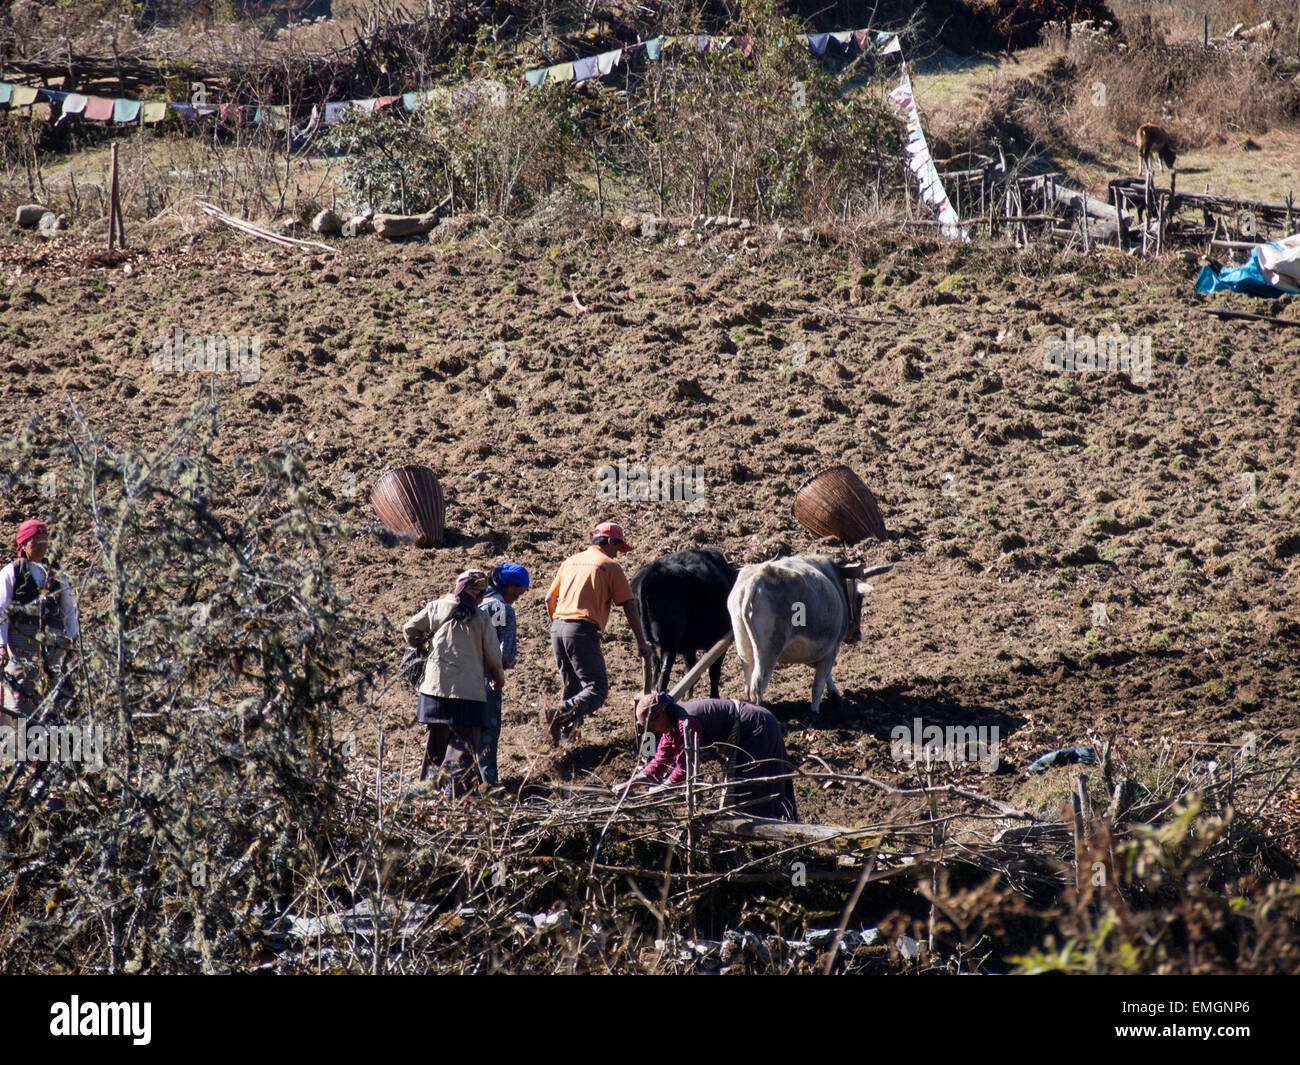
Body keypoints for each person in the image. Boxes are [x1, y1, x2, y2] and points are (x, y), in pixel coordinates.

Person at [543, 521, 651, 746]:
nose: (618, 554)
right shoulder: (609, 566)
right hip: (582, 629)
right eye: (618, 548)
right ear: (611, 542)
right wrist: (641, 642)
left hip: (558, 627)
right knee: (596, 689)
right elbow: (630, 606)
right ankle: (559, 713)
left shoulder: (570, 561)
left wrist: (557, 623)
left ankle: (567, 743)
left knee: (572, 687)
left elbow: (548, 598)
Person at [617, 690, 799, 821]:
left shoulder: (686, 723)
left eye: (650, 727)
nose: (651, 732)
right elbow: (660, 762)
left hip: (757, 727)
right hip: (753, 726)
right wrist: (630, 784)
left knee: (749, 788)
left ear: (661, 713)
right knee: (739, 788)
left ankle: (764, 831)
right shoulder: (671, 726)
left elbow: (685, 768)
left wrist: (662, 789)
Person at [402, 570, 504, 794]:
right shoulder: (481, 619)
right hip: (468, 698)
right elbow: (494, 659)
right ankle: (455, 797)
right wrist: (498, 680)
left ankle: (427, 794)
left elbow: (409, 629)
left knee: (436, 747)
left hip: (433, 694)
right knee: (461, 749)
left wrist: (422, 646)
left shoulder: (436, 607)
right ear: (479, 595)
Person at [0, 519, 78, 729]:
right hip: (20, 650)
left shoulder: (56, 572)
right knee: (17, 699)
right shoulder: (11, 573)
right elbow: (1, 612)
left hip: (52, 649)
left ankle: (51, 751)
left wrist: (72, 638)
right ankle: (16, 749)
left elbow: (68, 607)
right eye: (36, 542)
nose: (43, 547)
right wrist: (1, 645)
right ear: (23, 545)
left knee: (54, 696)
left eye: (45, 542)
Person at [477, 562, 529, 785]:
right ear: (509, 585)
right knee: (488, 730)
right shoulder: (503, 609)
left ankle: (461, 783)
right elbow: (505, 654)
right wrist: (504, 669)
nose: (519, 595)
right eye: (519, 589)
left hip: (459, 677)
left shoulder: (472, 605)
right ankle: (488, 782)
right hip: (488, 679)